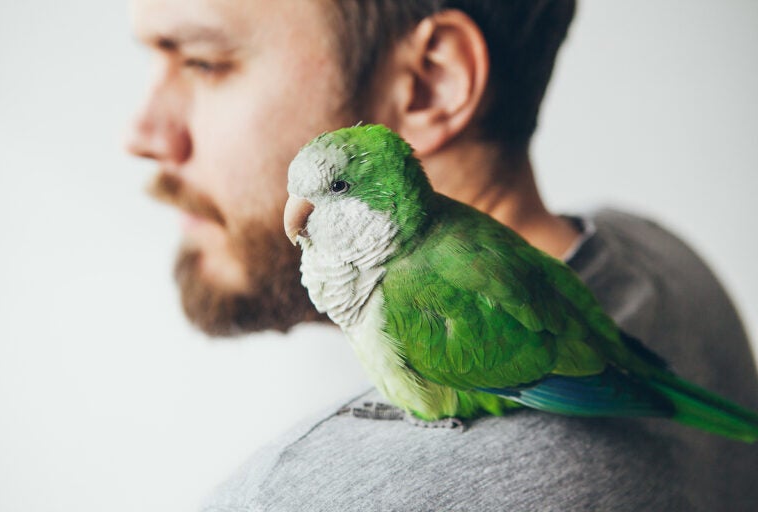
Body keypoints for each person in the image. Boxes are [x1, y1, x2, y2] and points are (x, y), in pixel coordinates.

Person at [126, 0, 758, 509]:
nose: (140, 134)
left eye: (206, 62)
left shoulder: (292, 495)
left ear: (432, 81)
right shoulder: (656, 255)